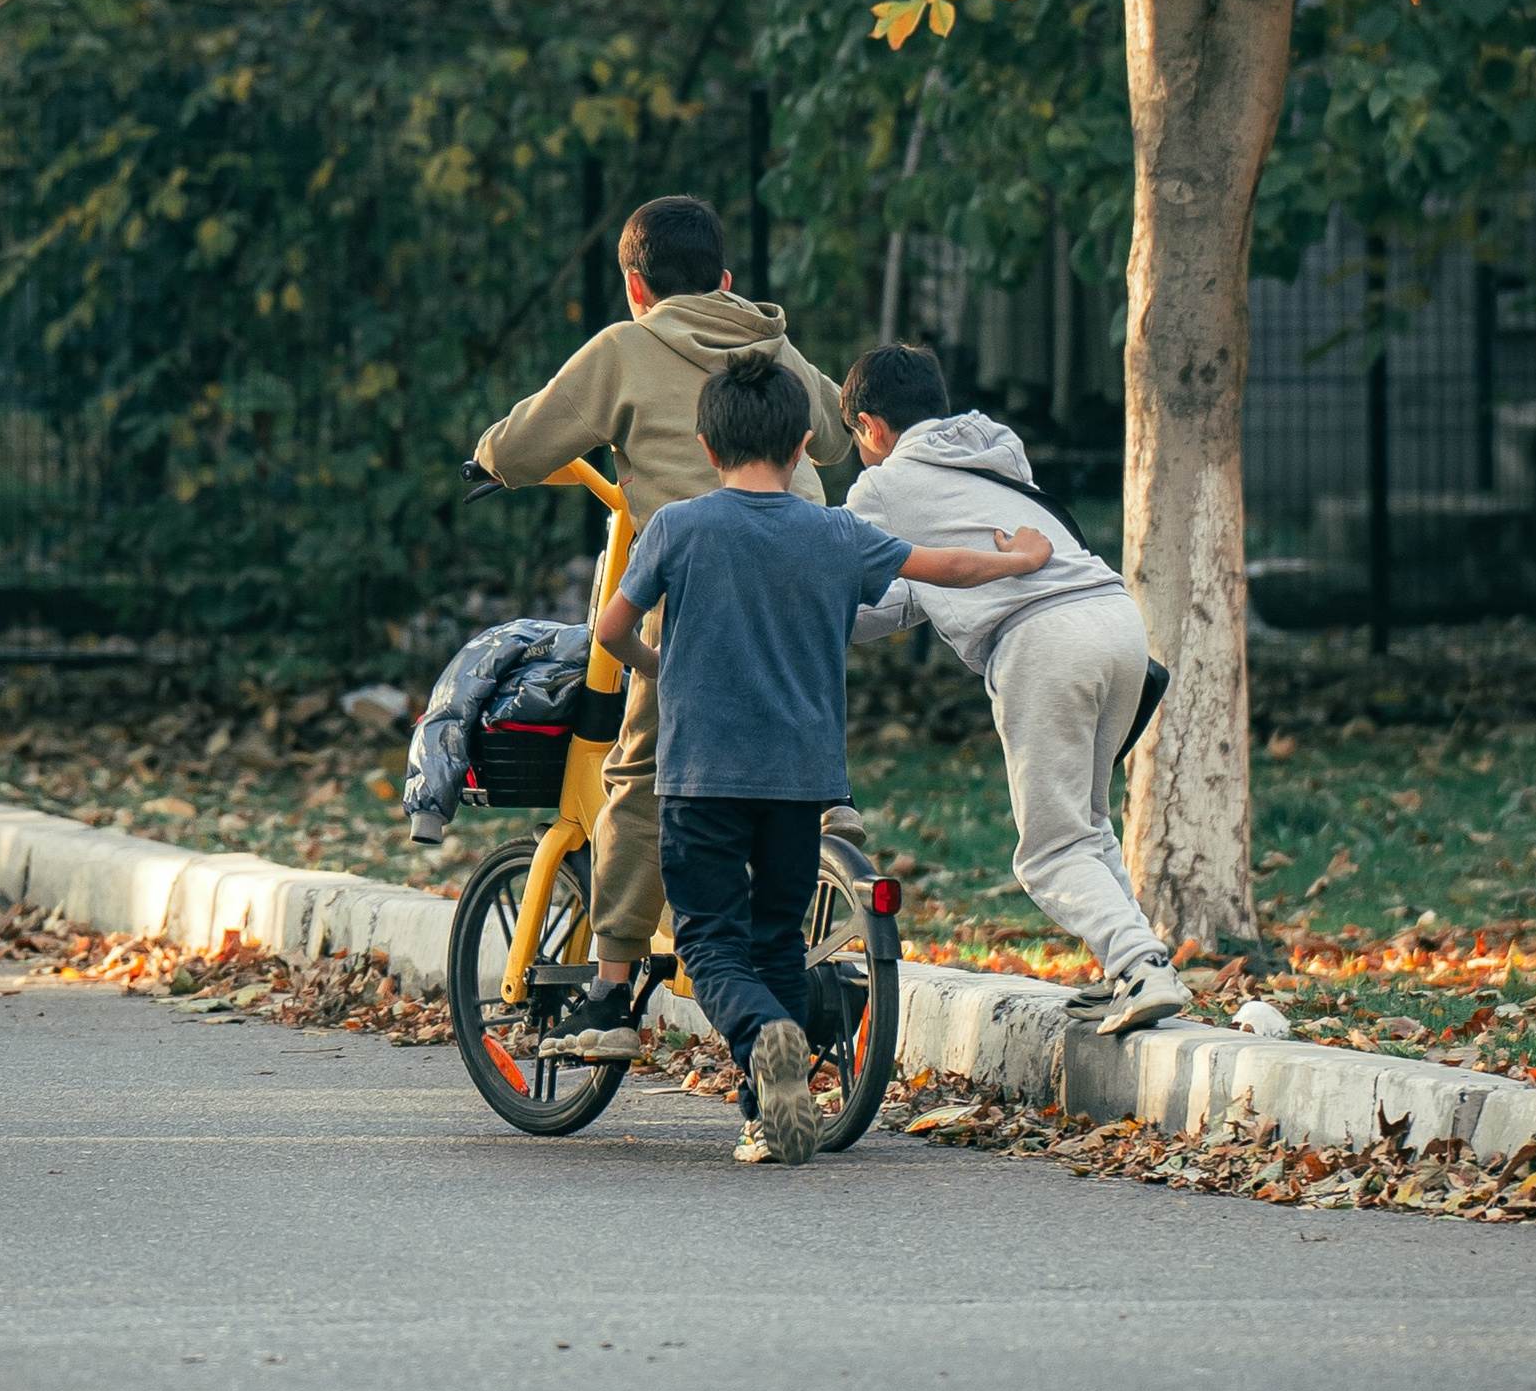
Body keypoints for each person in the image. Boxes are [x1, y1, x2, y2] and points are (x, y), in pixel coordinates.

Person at [597, 346, 1053, 1164]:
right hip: (802, 779)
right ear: (806, 443)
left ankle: (764, 1032)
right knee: (776, 935)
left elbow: (611, 630)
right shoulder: (836, 532)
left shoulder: (678, 526)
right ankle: (769, 1111)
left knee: (708, 940)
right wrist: (1019, 558)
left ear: (707, 446)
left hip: (702, 774)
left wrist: (661, 668)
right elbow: (942, 566)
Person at [470, 194, 850, 1057]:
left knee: (641, 770)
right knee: (794, 713)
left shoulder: (627, 347)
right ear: (723, 279)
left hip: (704, 589)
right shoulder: (771, 340)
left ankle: (607, 996)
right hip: (810, 579)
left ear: (636, 287)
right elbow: (831, 436)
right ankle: (829, 832)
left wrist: (490, 456)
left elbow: (529, 441)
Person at [843, 341, 1189, 1037]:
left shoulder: (883, 487)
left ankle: (1142, 965)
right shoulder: (999, 456)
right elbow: (919, 590)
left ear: (871, 428)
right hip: (1114, 618)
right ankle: (1133, 967)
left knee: (1050, 851)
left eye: (856, 436)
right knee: (1088, 825)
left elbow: (834, 578)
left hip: (1043, 641)